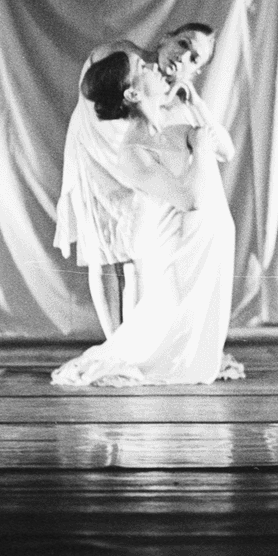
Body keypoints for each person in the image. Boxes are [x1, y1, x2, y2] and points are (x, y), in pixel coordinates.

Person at [51, 42, 242, 386]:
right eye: (143, 68)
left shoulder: (168, 127)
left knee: (197, 353)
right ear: (134, 93)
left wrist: (195, 112)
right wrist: (198, 146)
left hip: (209, 243)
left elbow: (225, 149)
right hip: (187, 250)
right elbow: (191, 200)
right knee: (172, 357)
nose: (155, 68)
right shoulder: (133, 149)